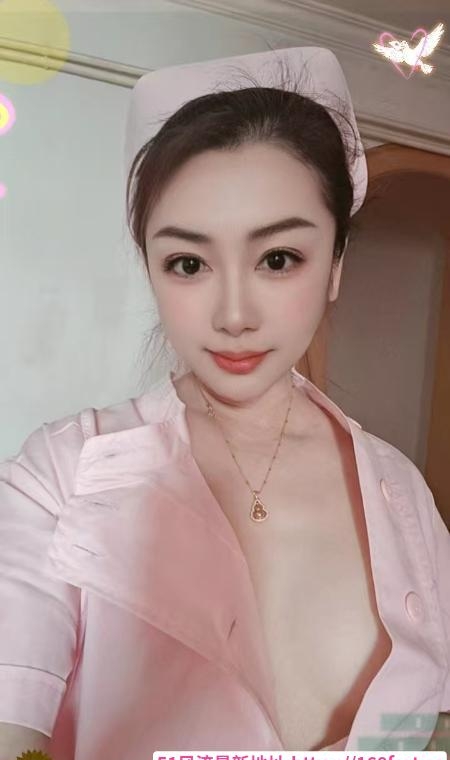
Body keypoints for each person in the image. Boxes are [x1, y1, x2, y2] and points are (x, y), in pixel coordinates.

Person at [0, 47, 449, 759]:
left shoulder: (406, 499)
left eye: (278, 259)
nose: (234, 315)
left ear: (335, 264)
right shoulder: (58, 477)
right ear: (150, 267)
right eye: (188, 263)